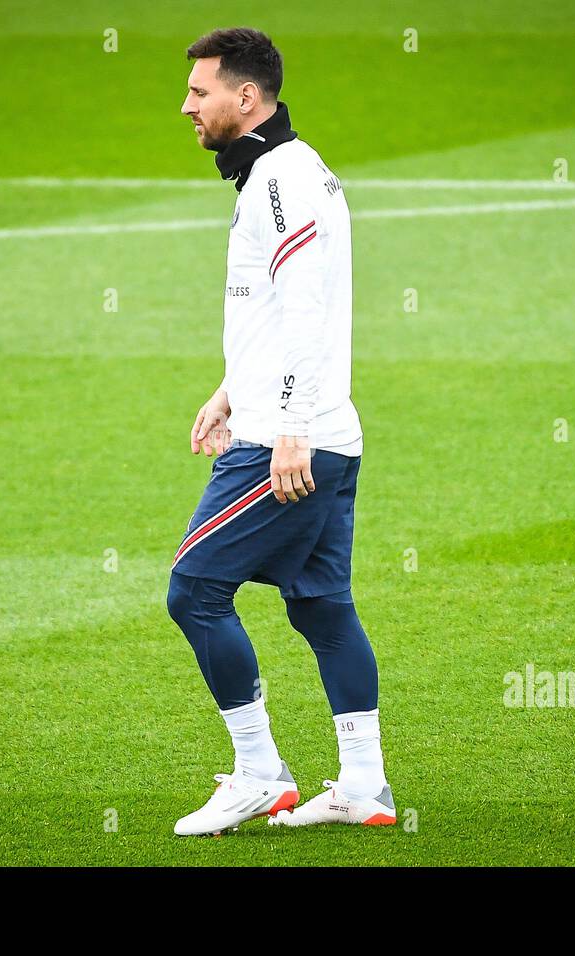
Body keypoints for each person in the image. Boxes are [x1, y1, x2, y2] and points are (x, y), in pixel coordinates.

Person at [167, 27, 394, 836]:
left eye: (201, 92)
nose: (188, 105)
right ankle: (364, 785)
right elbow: (283, 309)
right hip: (316, 427)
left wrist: (287, 424)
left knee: (194, 592)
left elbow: (305, 306)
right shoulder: (285, 171)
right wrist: (230, 390)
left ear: (247, 97)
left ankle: (261, 773)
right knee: (322, 606)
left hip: (288, 441)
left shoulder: (278, 180)